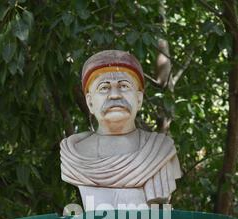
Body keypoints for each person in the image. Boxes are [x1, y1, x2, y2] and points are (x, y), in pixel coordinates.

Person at [60, 50, 181, 210]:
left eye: (124, 86)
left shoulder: (160, 152)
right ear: (90, 102)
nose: (115, 95)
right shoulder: (74, 155)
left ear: (139, 99)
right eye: (104, 88)